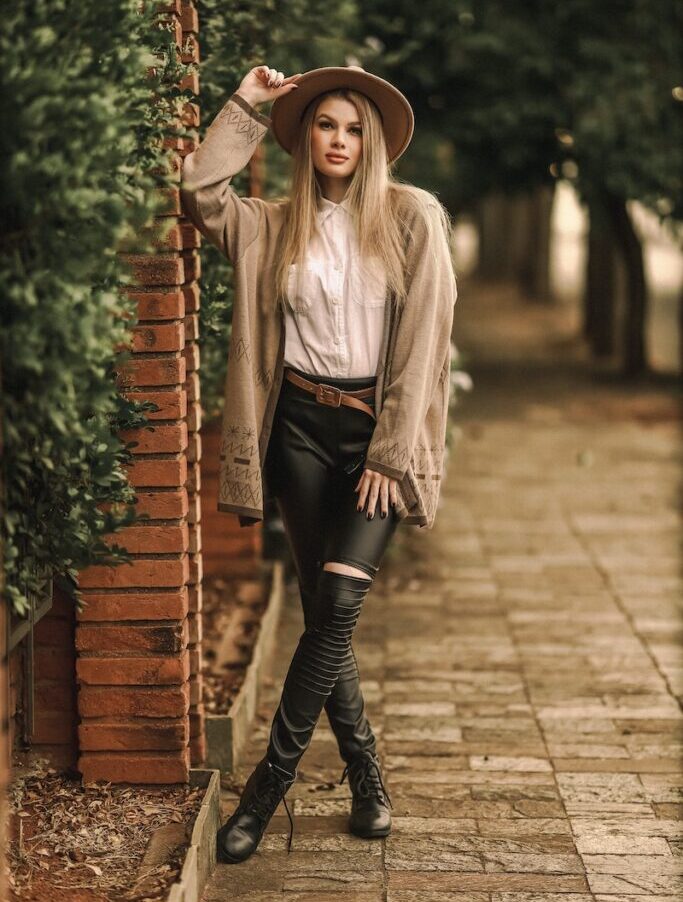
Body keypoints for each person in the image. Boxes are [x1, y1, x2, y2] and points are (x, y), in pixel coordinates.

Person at [180, 64, 458, 864]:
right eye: (326, 126)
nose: (338, 140)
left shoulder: (413, 219)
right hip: (297, 431)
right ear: (305, 138)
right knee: (323, 616)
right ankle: (367, 776)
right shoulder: (270, 224)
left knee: (337, 605)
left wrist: (392, 451)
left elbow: (423, 348)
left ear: (371, 143)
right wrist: (244, 105)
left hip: (377, 436)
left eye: (353, 128)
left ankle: (263, 791)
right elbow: (199, 195)